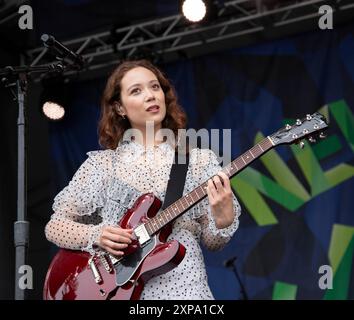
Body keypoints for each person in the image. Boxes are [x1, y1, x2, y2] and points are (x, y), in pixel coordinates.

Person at [45, 59, 241, 300]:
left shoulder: (197, 160)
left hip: (186, 291)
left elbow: (212, 242)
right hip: (120, 293)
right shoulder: (103, 165)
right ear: (119, 108)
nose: (150, 95)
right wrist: (97, 235)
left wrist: (223, 219)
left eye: (155, 87)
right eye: (136, 91)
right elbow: (55, 226)